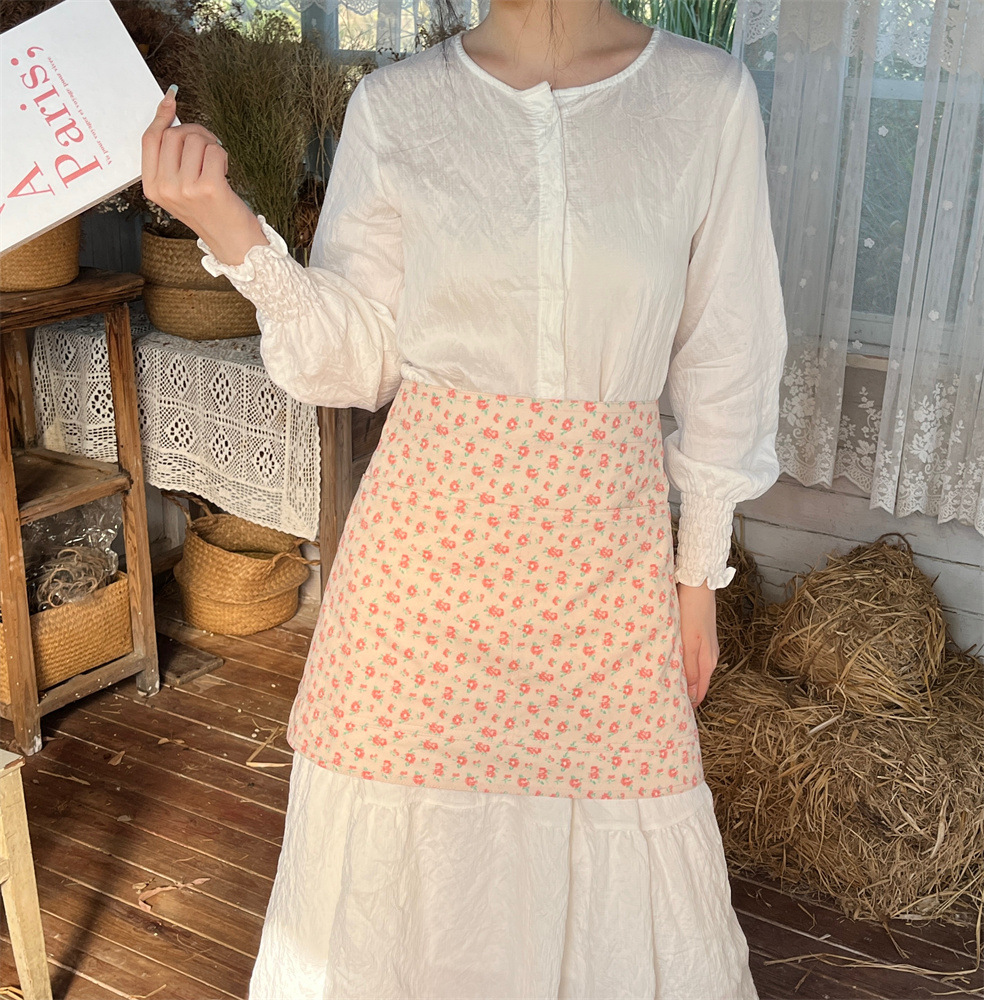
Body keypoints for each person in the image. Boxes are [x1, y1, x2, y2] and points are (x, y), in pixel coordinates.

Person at [142, 0, 787, 996]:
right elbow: (360, 357)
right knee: (403, 886)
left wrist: (696, 575)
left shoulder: (704, 99)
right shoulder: (400, 105)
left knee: (623, 839)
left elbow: (727, 346)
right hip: (422, 569)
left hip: (605, 571)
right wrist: (226, 223)